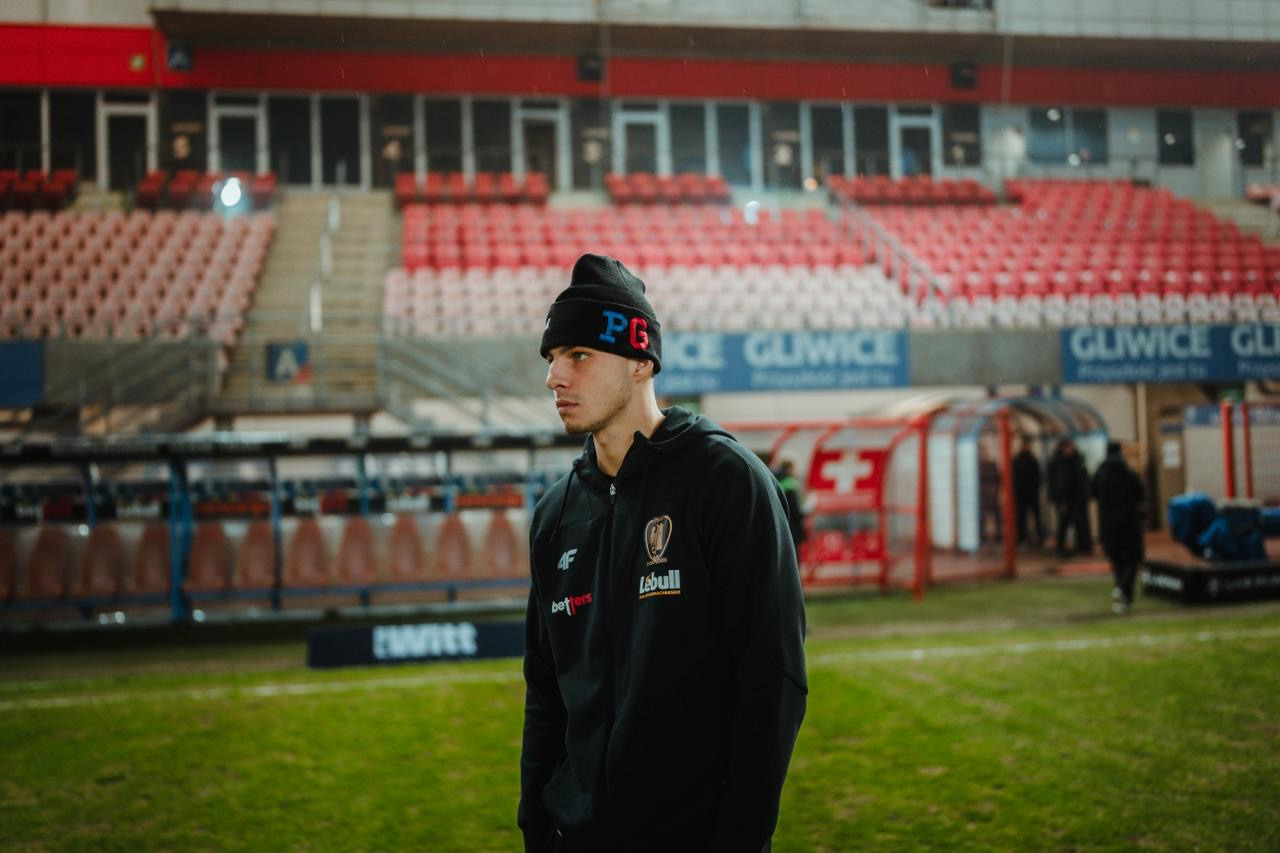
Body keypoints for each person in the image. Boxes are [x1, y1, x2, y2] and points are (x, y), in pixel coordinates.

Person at [519, 254, 808, 852]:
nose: (555, 378)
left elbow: (772, 676)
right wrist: (537, 827)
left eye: (578, 356)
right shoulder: (555, 516)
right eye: (551, 359)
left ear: (641, 362)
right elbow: (545, 692)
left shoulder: (725, 481)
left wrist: (739, 836)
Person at [1091, 441, 1146, 614]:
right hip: (1130, 523)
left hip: (1108, 525)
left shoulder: (1101, 474)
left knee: (1117, 560)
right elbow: (1141, 495)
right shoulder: (1129, 473)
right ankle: (1125, 590)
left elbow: (1091, 492)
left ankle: (1121, 588)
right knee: (1134, 556)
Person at [1047, 437, 1092, 557]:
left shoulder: (1076, 460)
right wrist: (1060, 500)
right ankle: (1061, 547)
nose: (1072, 448)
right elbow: (1058, 483)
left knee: (1079, 523)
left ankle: (1083, 546)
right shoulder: (1058, 462)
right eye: (1069, 446)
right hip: (1065, 499)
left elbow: (1081, 478)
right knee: (1063, 523)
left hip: (1077, 498)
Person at [1012, 436, 1044, 549]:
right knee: (1021, 518)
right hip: (1021, 494)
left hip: (1032, 493)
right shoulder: (1017, 460)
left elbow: (1038, 476)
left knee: (1036, 517)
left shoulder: (1032, 460)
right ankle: (1021, 539)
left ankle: (1040, 539)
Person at [773, 459, 808, 559]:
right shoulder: (791, 485)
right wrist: (808, 508)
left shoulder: (776, 481)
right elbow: (795, 511)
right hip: (793, 529)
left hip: (780, 527)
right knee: (794, 557)